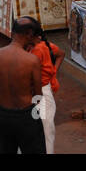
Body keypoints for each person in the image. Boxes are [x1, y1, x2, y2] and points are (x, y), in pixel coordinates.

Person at [0, 17, 45, 154]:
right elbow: (38, 96)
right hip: (26, 113)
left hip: (3, 113)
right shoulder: (32, 61)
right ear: (30, 34)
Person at [28, 18, 63, 153]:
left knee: (43, 130)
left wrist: (53, 72)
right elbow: (61, 54)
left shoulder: (38, 49)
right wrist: (54, 72)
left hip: (39, 94)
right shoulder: (44, 45)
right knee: (42, 128)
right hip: (40, 93)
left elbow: (60, 54)